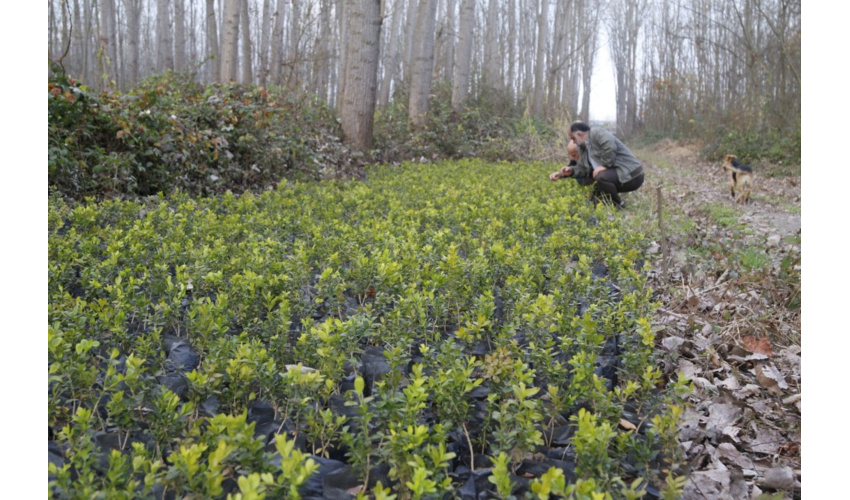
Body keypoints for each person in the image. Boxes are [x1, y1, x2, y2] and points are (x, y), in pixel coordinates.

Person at [549, 121, 645, 209]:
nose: (573, 142)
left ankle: (619, 206)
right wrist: (569, 171)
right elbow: (583, 168)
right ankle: (607, 209)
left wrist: (604, 165)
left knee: (601, 176)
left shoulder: (596, 132)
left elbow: (610, 146)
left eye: (573, 138)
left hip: (633, 175)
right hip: (618, 176)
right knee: (593, 202)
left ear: (579, 135)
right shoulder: (582, 148)